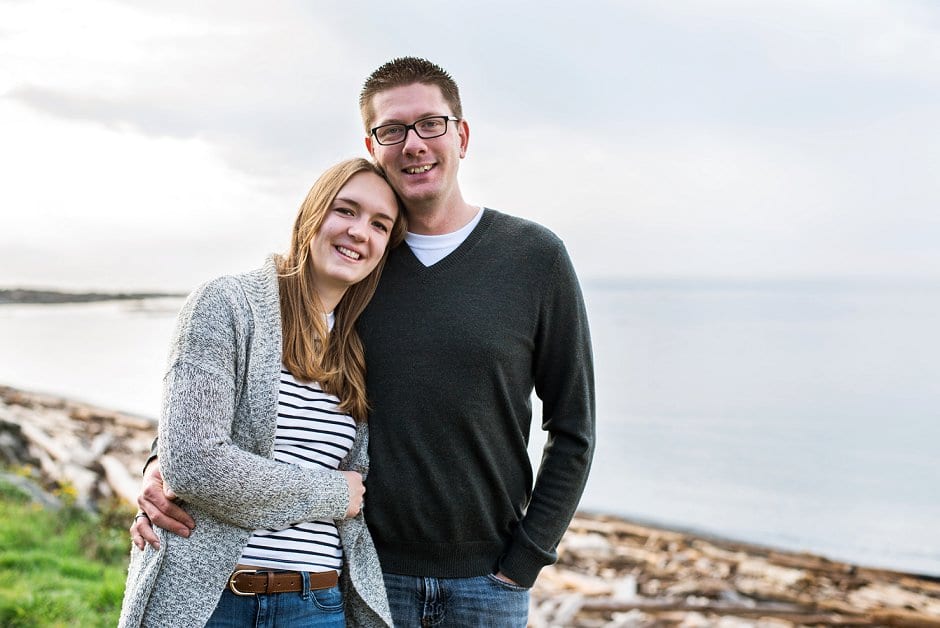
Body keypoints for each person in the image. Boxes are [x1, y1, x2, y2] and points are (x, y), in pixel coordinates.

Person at [133, 57, 595, 627]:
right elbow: (246, 386)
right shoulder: (359, 270)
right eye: (392, 130)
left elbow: (573, 428)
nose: (414, 144)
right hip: (368, 576)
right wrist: (162, 464)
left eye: (431, 124)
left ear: (462, 135)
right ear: (372, 146)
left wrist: (526, 558)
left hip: (487, 583)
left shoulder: (534, 258)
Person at [119, 157, 406, 627]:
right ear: (313, 213)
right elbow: (194, 463)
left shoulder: (362, 346)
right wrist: (333, 493)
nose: (359, 232)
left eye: (379, 224)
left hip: (319, 604)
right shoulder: (227, 305)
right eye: (346, 210)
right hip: (214, 600)